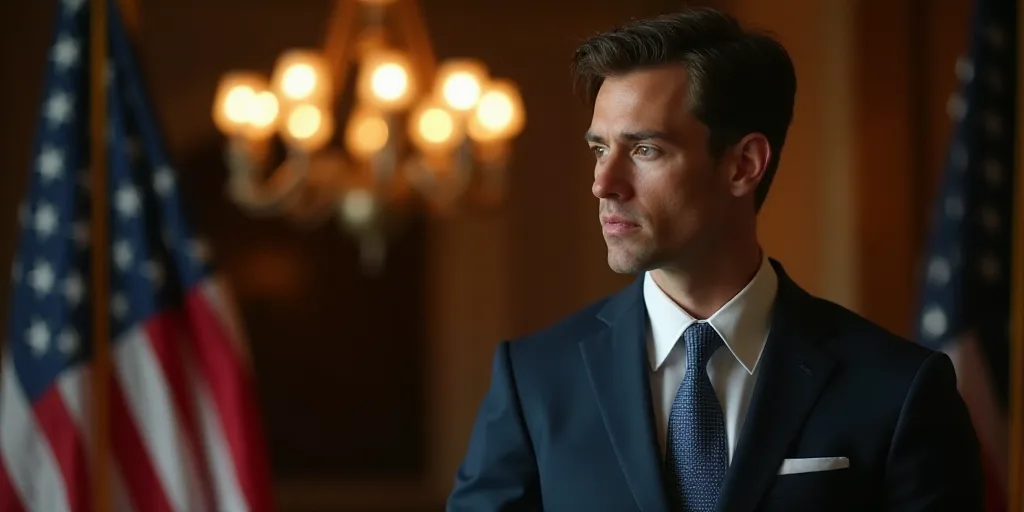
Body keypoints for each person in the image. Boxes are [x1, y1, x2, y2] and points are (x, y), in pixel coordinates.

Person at [446, 7, 983, 512]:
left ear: (743, 165)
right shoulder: (535, 380)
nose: (602, 184)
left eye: (644, 150)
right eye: (598, 149)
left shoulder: (899, 388)